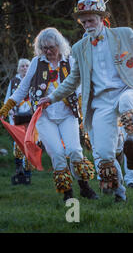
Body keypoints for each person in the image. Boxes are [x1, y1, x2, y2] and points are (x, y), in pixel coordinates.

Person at [37, 0, 133, 202]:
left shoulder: (123, 34)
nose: (88, 24)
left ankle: (132, 144)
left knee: (127, 103)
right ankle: (119, 193)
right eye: (84, 21)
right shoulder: (80, 48)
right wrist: (51, 98)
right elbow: (72, 80)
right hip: (100, 102)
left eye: (91, 20)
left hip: (126, 90)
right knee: (105, 155)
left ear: (101, 19)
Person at [0, 28, 98, 201]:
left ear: (59, 45)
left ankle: (84, 186)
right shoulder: (36, 62)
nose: (48, 51)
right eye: (44, 48)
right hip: (44, 116)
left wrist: (83, 100)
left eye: (51, 47)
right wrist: (8, 105)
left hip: (68, 114)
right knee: (58, 153)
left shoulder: (71, 61)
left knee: (75, 150)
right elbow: (23, 88)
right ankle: (67, 193)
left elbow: (80, 84)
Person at [4, 58, 33, 185]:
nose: (25, 68)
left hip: (31, 117)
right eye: (22, 66)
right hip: (16, 117)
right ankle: (19, 170)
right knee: (18, 144)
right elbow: (8, 98)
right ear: (18, 68)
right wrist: (8, 110)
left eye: (27, 66)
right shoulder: (14, 81)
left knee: (30, 143)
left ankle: (28, 173)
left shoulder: (33, 80)